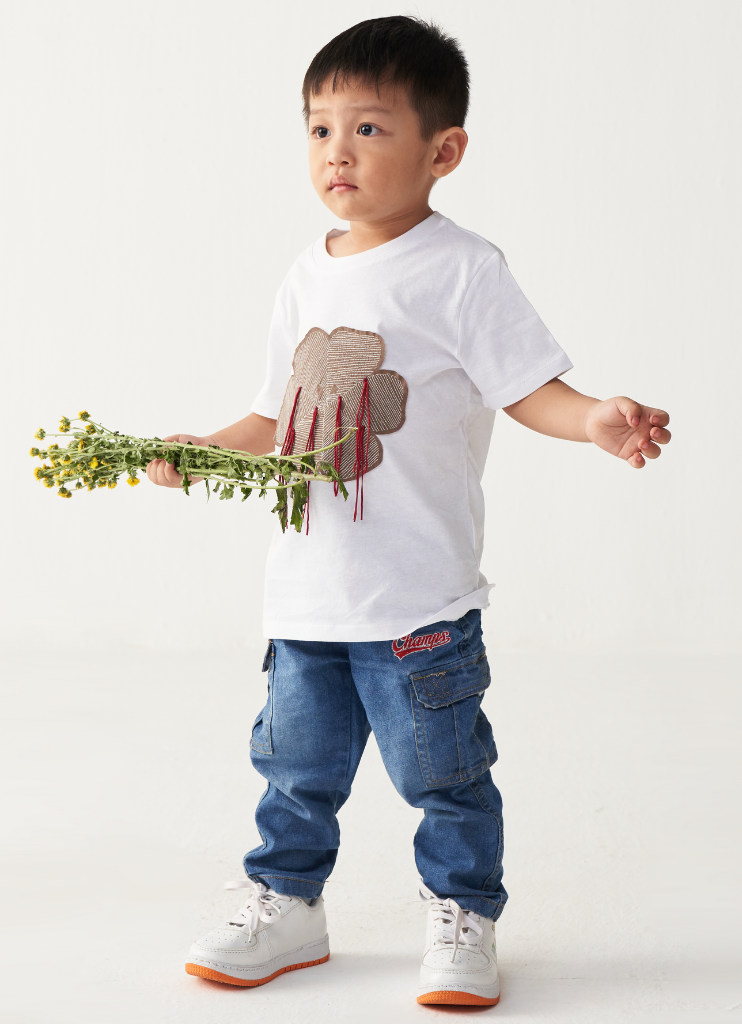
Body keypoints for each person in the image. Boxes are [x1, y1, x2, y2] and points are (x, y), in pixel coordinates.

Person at [146, 16, 671, 1008]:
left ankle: (464, 909)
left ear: (445, 151)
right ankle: (287, 903)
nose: (336, 151)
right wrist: (199, 452)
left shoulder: (463, 268)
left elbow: (527, 388)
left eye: (369, 129)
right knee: (295, 767)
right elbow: (273, 415)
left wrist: (594, 416)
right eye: (318, 129)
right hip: (307, 594)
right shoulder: (305, 274)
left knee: (447, 773)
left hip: (418, 598)